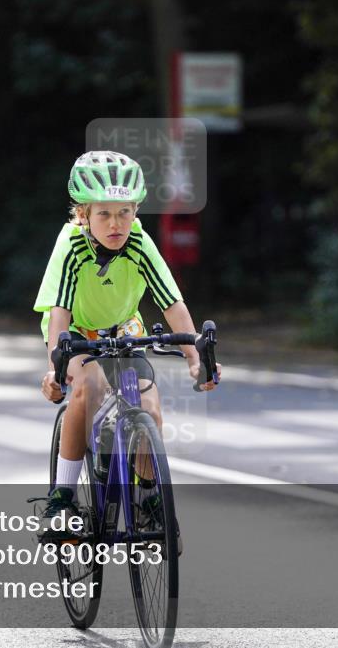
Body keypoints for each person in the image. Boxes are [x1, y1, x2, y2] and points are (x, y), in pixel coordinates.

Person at [33, 150, 222, 538]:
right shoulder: (72, 246)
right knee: (89, 386)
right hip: (76, 329)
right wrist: (57, 367)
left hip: (124, 327)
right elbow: (60, 313)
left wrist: (193, 358)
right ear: (84, 214)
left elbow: (172, 303)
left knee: (150, 409)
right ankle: (62, 498)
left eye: (125, 212)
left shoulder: (138, 242)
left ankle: (148, 497)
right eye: (104, 213)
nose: (116, 223)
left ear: (135, 212)